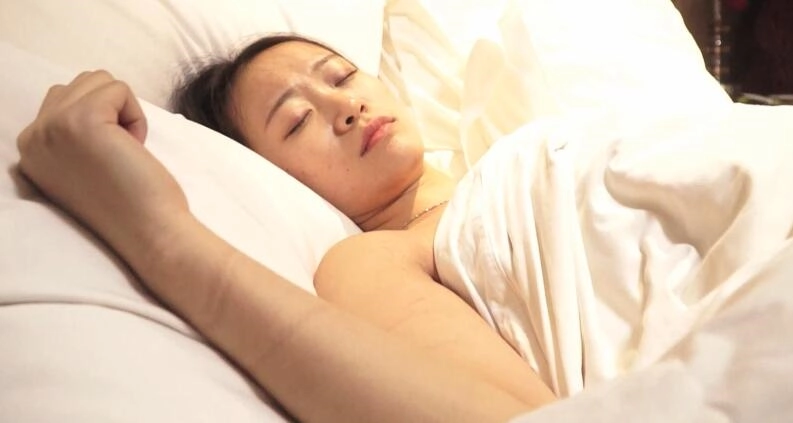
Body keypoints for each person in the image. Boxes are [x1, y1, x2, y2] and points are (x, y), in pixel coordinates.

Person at [16, 34, 555, 422]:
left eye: (341, 76)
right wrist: (156, 232)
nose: (346, 106)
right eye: (297, 121)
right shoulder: (375, 259)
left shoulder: (504, 155)